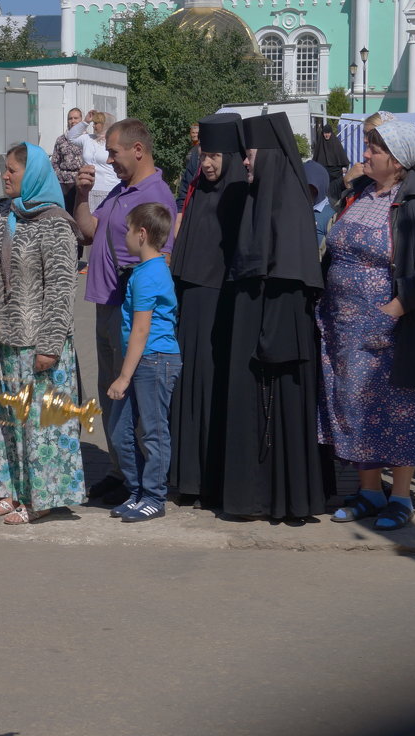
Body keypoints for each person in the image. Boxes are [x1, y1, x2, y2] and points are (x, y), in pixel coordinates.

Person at [318, 121, 415, 531]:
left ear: (396, 160)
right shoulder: (356, 195)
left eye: (373, 150)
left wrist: (394, 309)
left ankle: (400, 498)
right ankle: (369, 492)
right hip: (342, 326)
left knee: (399, 412)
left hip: (393, 327)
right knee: (354, 408)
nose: (365, 155)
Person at [221, 112, 326, 521]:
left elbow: (292, 274)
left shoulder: (289, 206)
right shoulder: (257, 200)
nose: (245, 163)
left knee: (282, 411)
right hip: (258, 328)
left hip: (280, 334)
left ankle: (287, 501)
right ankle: (255, 498)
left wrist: (268, 334)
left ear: (266, 155)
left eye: (249, 155)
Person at [0, 142, 85, 525]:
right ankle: (8, 491)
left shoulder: (55, 222)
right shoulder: (2, 215)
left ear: (34, 174)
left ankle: (41, 498)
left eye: (12, 170)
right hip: (2, 338)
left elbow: (60, 288)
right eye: (4, 169)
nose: (4, 175)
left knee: (38, 426)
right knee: (3, 420)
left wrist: (51, 345)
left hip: (38, 341)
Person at [73, 118, 177, 506]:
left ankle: (139, 484)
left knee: (127, 397)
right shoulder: (122, 188)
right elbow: (90, 230)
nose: (109, 159)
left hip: (128, 310)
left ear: (138, 150)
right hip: (105, 304)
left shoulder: (155, 194)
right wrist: (81, 195)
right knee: (110, 395)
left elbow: (159, 263)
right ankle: (121, 472)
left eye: (114, 152)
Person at [168, 113, 249, 508]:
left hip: (221, 308)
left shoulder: (240, 194)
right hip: (192, 303)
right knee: (189, 389)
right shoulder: (199, 189)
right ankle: (187, 479)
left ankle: (210, 481)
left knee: (211, 391)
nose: (209, 163)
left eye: (215, 154)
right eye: (204, 154)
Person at [107, 202, 180, 522]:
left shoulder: (149, 275)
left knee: (152, 431)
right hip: (144, 361)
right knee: (120, 429)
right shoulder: (145, 271)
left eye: (127, 230)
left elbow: (141, 328)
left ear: (142, 233)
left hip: (155, 361)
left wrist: (123, 376)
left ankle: (154, 495)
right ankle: (137, 490)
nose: (123, 237)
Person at [70, 111, 118, 211]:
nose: (93, 126)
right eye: (93, 123)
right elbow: (71, 137)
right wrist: (85, 121)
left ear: (105, 125)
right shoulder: (88, 139)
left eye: (96, 123)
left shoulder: (114, 141)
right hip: (89, 188)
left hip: (109, 189)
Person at [51, 107, 87, 196]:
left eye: (76, 118)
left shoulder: (87, 139)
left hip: (82, 182)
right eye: (70, 118)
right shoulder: (61, 140)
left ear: (81, 120)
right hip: (63, 183)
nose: (73, 121)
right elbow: (55, 161)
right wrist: (58, 176)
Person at [302, 159, 335, 249]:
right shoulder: (295, 209)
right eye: (304, 187)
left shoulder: (330, 216)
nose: (309, 192)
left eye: (312, 188)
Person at [175, 121, 201, 211]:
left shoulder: (200, 149)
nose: (194, 135)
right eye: (192, 133)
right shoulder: (193, 148)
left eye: (196, 133)